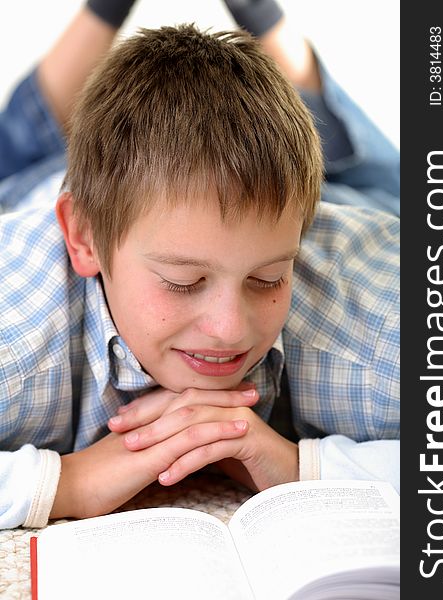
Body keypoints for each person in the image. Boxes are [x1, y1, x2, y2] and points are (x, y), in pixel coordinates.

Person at [0, 0, 400, 529]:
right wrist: (66, 482)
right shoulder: (17, 325)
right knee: (14, 154)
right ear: (83, 239)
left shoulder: (377, 317)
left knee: (372, 179)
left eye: (268, 277)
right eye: (182, 282)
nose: (229, 330)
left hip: (346, 202)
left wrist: (302, 467)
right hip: (36, 195)